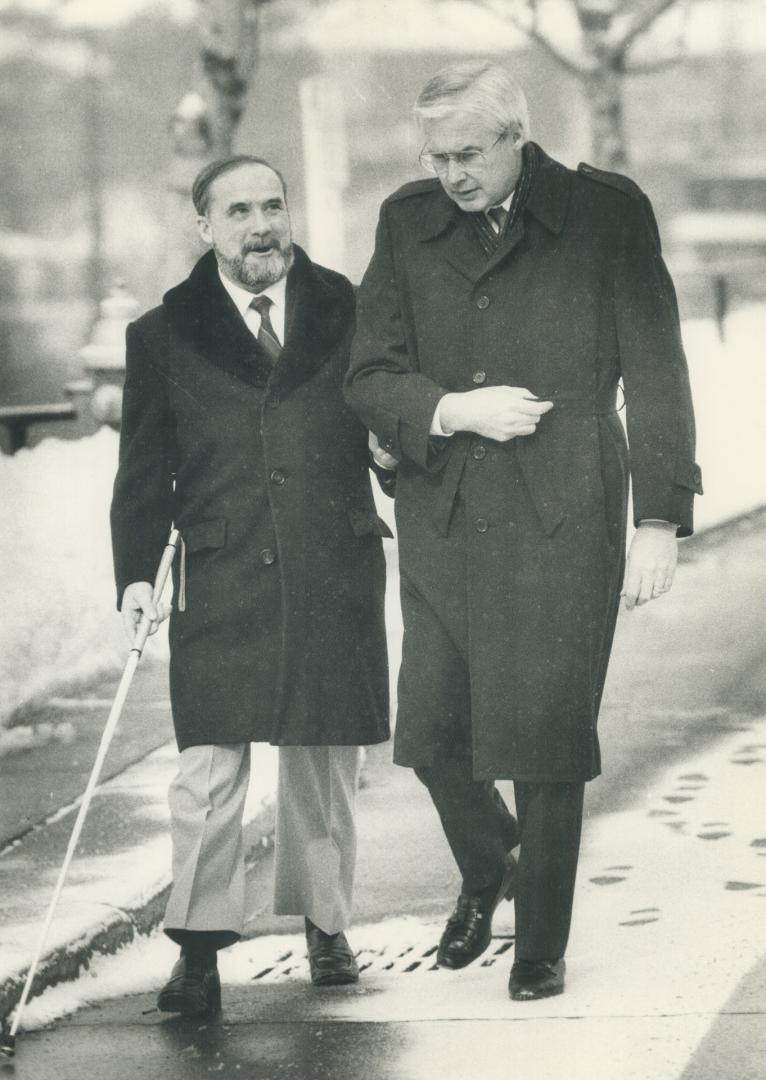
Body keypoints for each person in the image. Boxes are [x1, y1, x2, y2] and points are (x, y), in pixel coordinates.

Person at [346, 61, 701, 1002]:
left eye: (467, 153)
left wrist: (660, 516)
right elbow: (369, 373)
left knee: (545, 735)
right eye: (436, 154)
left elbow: (659, 368)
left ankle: (540, 941)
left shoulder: (604, 214)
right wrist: (452, 410)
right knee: (430, 730)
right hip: (444, 505)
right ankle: (492, 862)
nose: (451, 172)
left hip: (568, 504)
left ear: (515, 138)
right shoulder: (406, 220)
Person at [111, 155, 393, 1015]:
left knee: (322, 761)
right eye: (238, 212)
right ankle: (197, 950)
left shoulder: (348, 307)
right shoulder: (161, 335)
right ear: (205, 227)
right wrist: (131, 576)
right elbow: (141, 472)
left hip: (329, 565)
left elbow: (389, 409)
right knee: (208, 768)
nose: (261, 225)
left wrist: (392, 452)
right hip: (221, 569)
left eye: (272, 206)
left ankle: (325, 926)